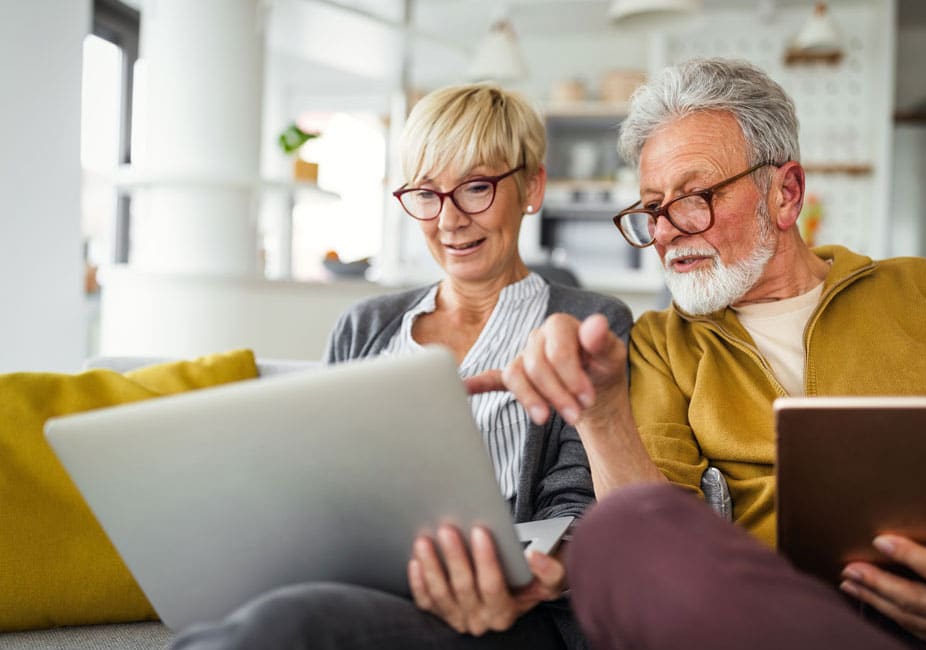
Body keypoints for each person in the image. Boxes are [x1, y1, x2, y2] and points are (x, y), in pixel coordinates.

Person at [482, 58, 926, 649]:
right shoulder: (661, 344)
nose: (668, 230)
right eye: (652, 208)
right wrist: (598, 413)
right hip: (764, 624)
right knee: (616, 532)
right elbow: (652, 547)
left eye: (694, 196)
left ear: (786, 194)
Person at [170, 83, 632, 650]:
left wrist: (536, 569)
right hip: (372, 583)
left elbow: (579, 508)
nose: (449, 220)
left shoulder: (589, 323)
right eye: (426, 194)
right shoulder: (365, 325)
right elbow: (319, 476)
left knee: (290, 625)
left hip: (509, 610)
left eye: (477, 188)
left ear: (531, 186)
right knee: (277, 614)